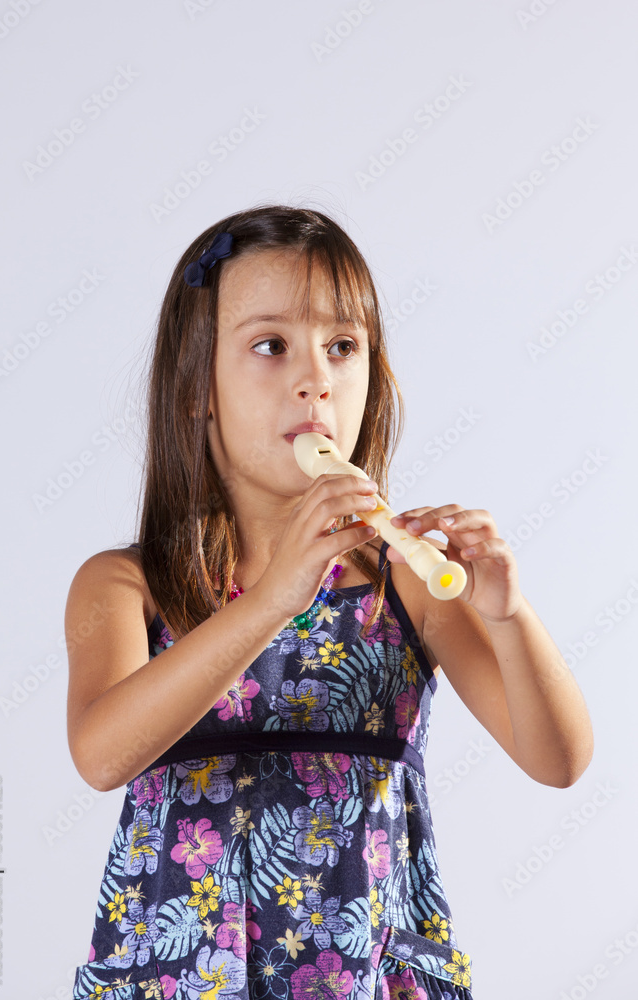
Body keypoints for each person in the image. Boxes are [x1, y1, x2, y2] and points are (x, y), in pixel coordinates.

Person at [65, 204, 593, 1000]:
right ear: (195, 388)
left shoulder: (406, 581)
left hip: (368, 977)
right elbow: (101, 756)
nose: (315, 377)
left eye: (342, 348)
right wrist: (274, 598)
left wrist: (508, 615)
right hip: (175, 978)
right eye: (270, 346)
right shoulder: (125, 584)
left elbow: (557, 760)